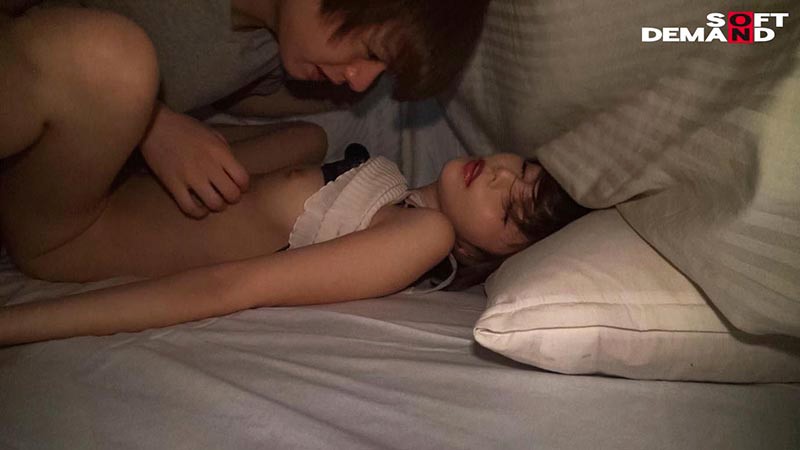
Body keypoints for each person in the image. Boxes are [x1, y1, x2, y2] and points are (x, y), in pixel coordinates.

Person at [4, 0, 490, 218]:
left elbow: (227, 87)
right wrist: (151, 123)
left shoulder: (271, 52)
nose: (359, 79)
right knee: (115, 57)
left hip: (48, 177)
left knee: (307, 145)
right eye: (370, 51)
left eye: (380, 73)